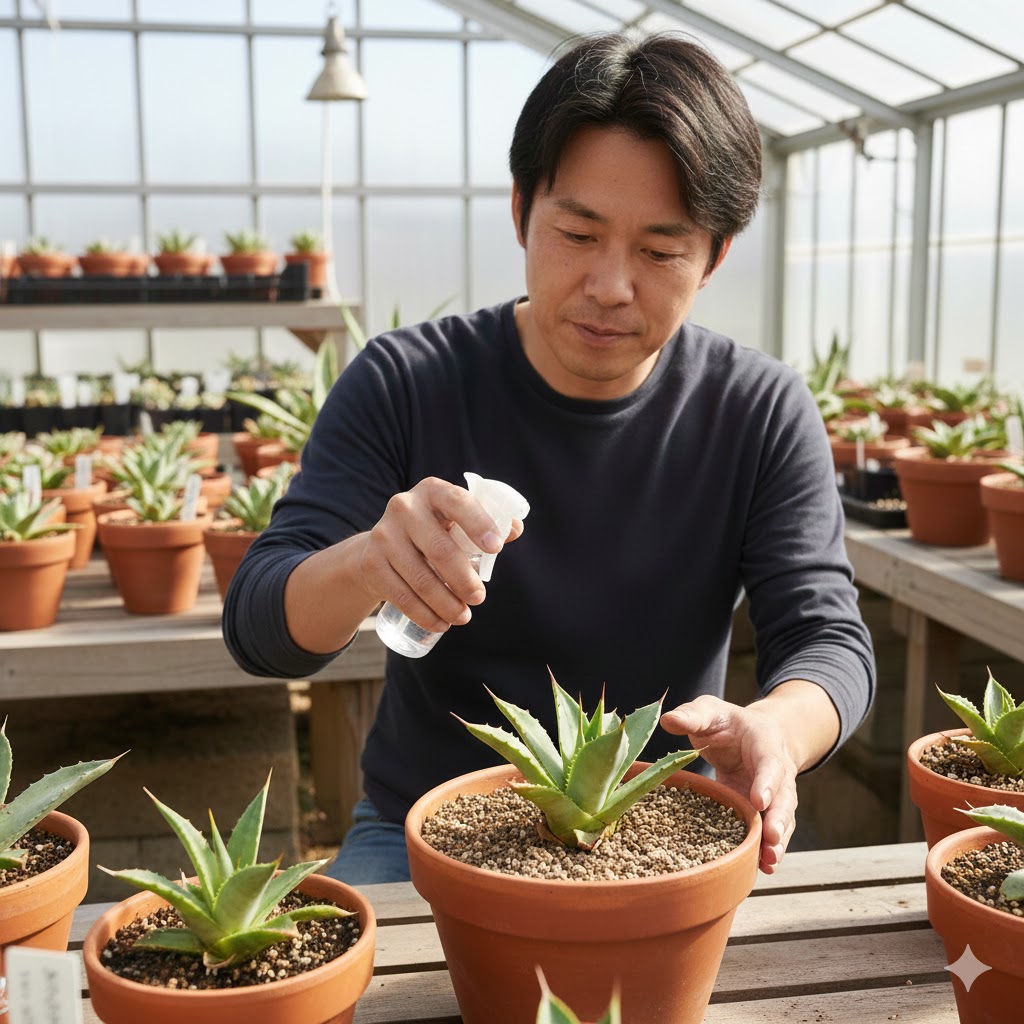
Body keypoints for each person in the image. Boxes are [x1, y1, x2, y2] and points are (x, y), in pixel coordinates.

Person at [223, 31, 875, 884]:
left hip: (659, 834)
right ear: (522, 208)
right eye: (577, 232)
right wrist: (368, 563)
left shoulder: (756, 409)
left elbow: (828, 636)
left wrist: (780, 731)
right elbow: (261, 628)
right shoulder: (406, 380)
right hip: (420, 826)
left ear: (713, 256)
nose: (611, 284)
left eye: (660, 251)